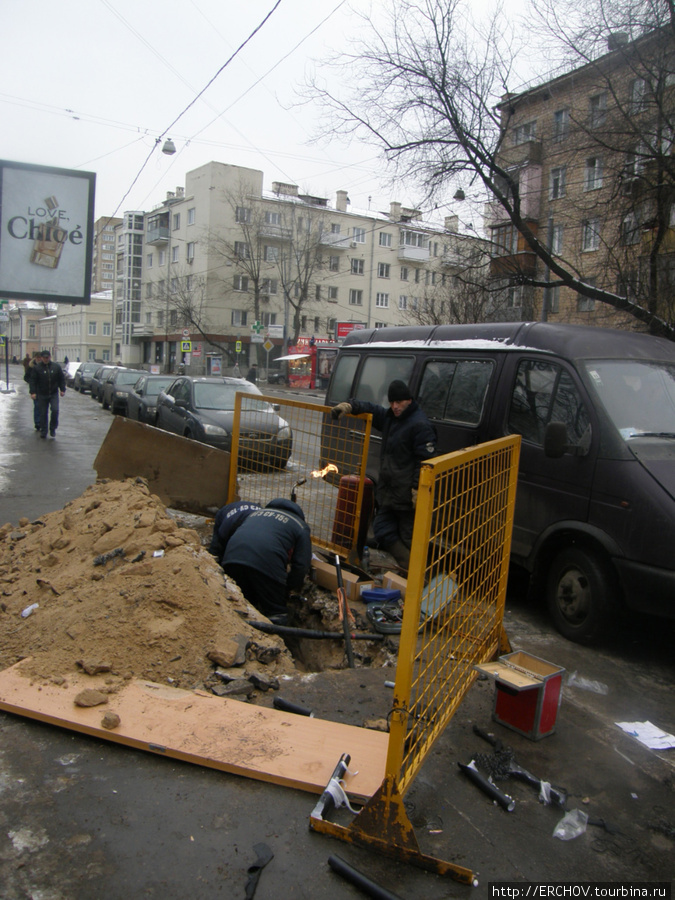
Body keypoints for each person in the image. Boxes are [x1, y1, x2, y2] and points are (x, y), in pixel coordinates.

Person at [331, 379, 437, 572]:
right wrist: (350, 406)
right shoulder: (391, 418)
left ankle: (418, 580)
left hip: (406, 496)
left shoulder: (420, 425)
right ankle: (410, 571)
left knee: (409, 539)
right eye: (392, 402)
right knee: (382, 529)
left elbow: (425, 460)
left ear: (409, 400)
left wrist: (416, 489)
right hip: (390, 493)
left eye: (399, 402)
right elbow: (371, 408)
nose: (395, 406)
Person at [222, 499, 312, 619]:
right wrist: (288, 587)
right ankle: (274, 633)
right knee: (276, 612)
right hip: (266, 565)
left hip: (231, 559)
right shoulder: (300, 525)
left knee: (241, 603)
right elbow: (301, 566)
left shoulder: (254, 515)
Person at [29, 349, 66, 438]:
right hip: (42, 394)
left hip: (53, 393)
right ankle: (44, 430)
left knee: (55, 410)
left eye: (47, 357)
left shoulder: (56, 367)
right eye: (44, 357)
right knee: (43, 413)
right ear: (41, 358)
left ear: (50, 357)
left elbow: (61, 379)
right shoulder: (37, 368)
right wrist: (33, 392)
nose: (46, 359)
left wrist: (62, 389)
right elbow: (33, 381)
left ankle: (52, 428)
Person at [23, 353, 41, 431]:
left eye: (40, 357)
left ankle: (42, 422)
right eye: (38, 357)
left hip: (44, 390)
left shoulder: (45, 366)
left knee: (43, 407)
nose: (39, 359)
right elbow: (26, 377)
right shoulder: (31, 366)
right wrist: (32, 382)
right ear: (35, 358)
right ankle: (37, 423)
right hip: (35, 390)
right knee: (37, 406)